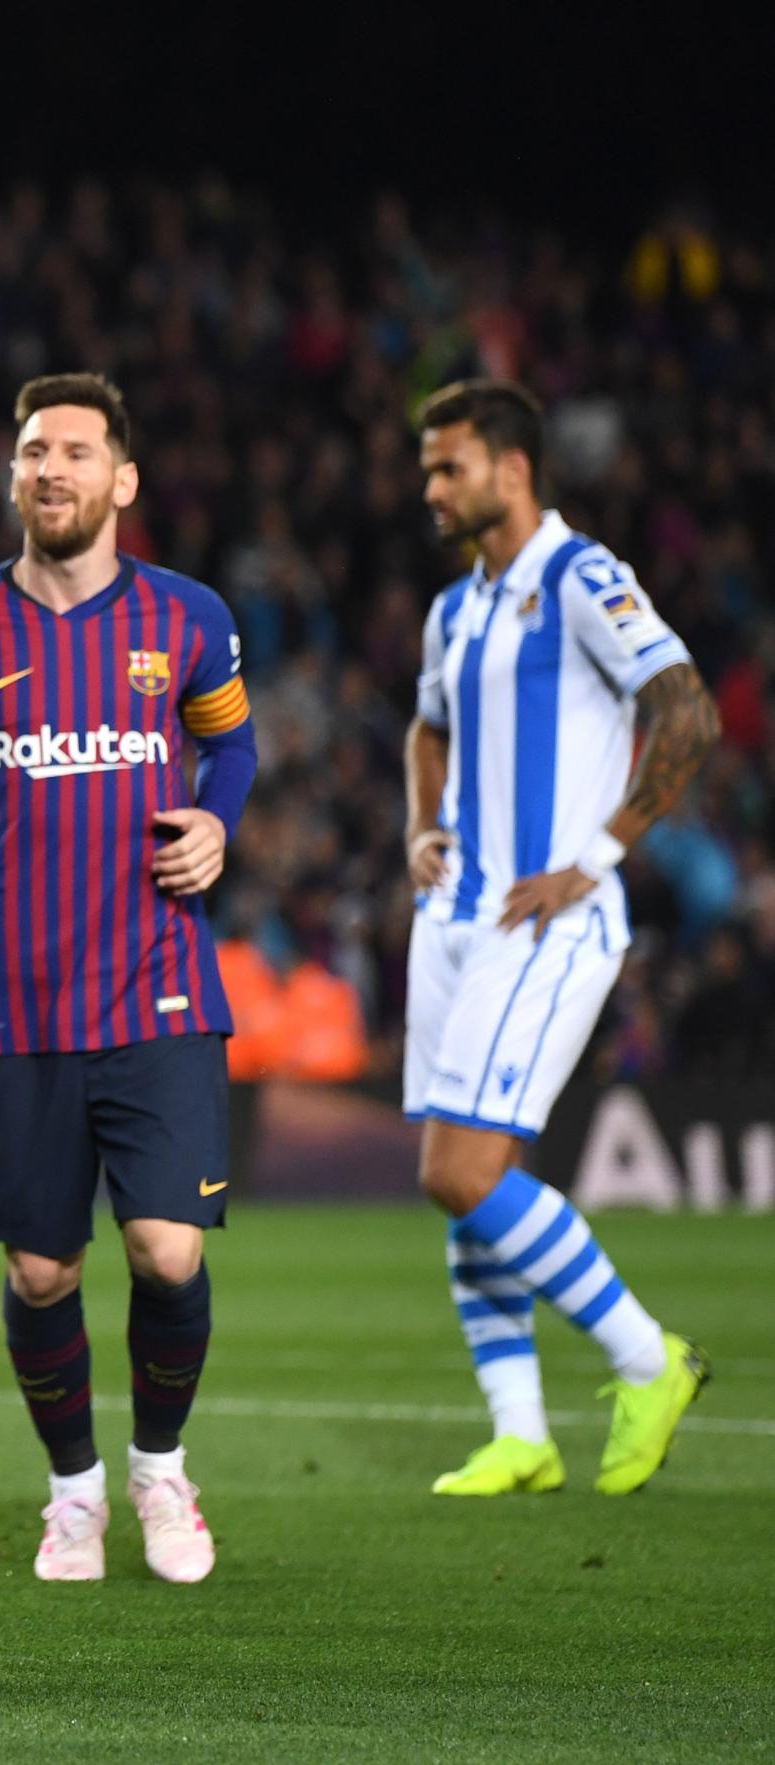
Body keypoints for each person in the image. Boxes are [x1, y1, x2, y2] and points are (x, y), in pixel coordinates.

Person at [0, 373, 257, 1586]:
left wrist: (217, 820)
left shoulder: (187, 617)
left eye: (76, 451)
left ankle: (159, 1471)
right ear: (13, 475)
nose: (51, 468)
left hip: (160, 994)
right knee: (39, 1271)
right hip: (15, 1009)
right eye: (33, 450)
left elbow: (231, 741)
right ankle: (73, 1495)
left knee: (167, 1252)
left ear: (121, 479)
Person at [401, 379, 716, 1497]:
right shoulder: (457, 608)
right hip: (456, 917)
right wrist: (420, 829)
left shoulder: (582, 576)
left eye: (449, 468)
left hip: (546, 920)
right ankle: (520, 1433)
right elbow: (426, 728)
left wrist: (598, 853)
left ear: (513, 468)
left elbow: (685, 709)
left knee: (459, 1171)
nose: (433, 489)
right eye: (428, 470)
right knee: (474, 1171)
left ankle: (649, 1359)